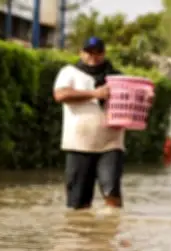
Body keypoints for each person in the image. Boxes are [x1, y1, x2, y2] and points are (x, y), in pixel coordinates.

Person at [53, 37, 125, 210]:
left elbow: (135, 96)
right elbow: (60, 95)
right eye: (89, 52)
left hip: (111, 143)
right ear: (81, 53)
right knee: (78, 203)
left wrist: (147, 97)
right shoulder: (69, 72)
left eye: (98, 52)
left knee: (112, 193)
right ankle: (81, 234)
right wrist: (95, 94)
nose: (93, 56)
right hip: (78, 144)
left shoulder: (116, 77)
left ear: (104, 54)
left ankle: (112, 231)